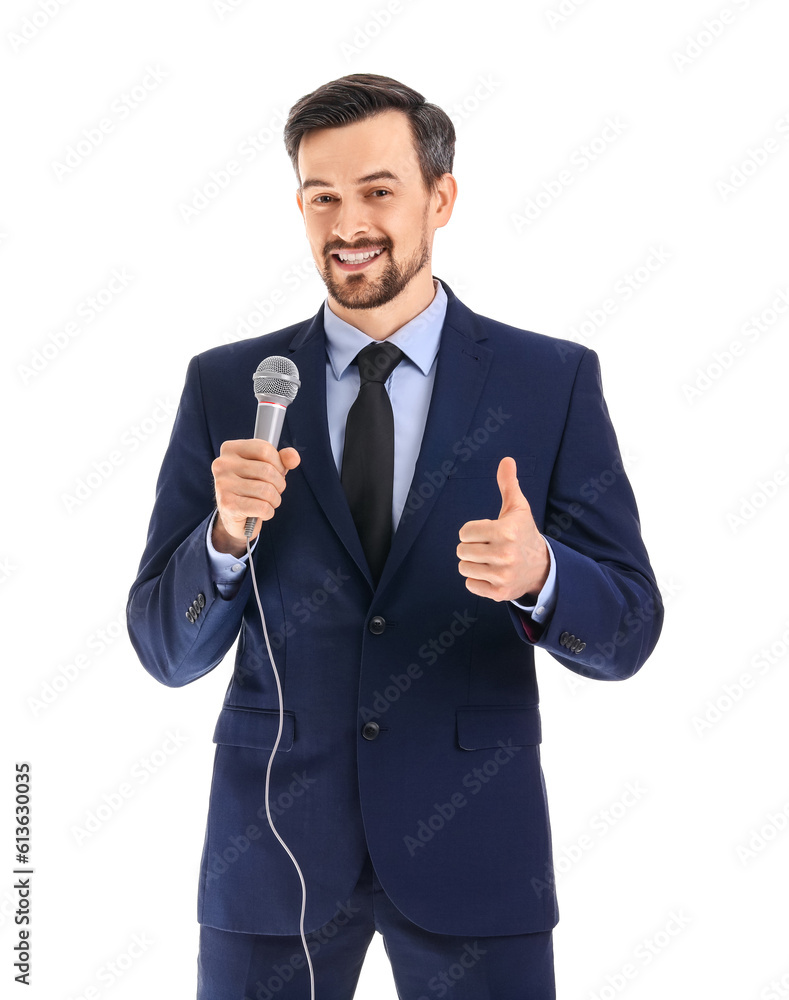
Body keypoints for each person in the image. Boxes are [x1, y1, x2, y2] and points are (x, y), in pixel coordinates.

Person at [127, 73, 663, 1000]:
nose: (348, 224)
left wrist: (542, 576)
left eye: (378, 190)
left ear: (439, 197)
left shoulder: (549, 381)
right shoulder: (228, 387)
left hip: (474, 849)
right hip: (273, 855)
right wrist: (222, 540)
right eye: (321, 197)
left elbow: (629, 634)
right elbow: (163, 651)